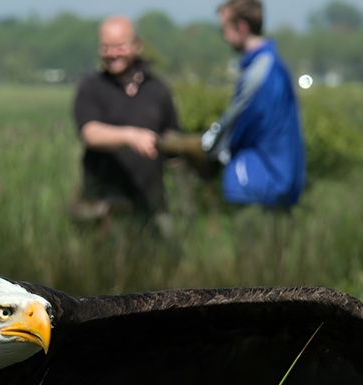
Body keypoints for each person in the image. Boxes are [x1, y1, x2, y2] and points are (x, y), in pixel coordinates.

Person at [71, 15, 180, 233]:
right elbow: (90, 133)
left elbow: (172, 141)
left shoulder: (157, 88)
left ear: (136, 45)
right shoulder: (91, 87)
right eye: (106, 47)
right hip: (102, 206)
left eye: (119, 46)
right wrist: (131, 136)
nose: (112, 53)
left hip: (151, 205)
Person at [201, 0, 305, 208]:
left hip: (260, 179)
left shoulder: (260, 72)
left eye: (225, 29)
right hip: (278, 177)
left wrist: (209, 146)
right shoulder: (272, 66)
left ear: (242, 27)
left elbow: (238, 122)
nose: (225, 37)